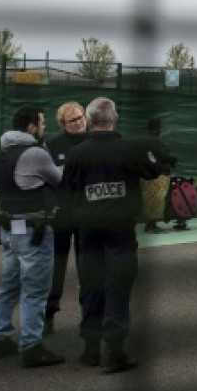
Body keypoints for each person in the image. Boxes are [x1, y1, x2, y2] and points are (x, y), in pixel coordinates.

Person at [61, 97, 159, 374]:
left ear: (90, 121)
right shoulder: (129, 149)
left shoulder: (79, 153)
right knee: (118, 286)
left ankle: (90, 349)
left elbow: (67, 191)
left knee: (92, 285)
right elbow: (153, 171)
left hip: (89, 228)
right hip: (119, 228)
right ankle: (114, 351)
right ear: (114, 118)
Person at [0, 104, 65, 368]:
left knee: (9, 286)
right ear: (31, 126)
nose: (44, 128)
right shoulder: (34, 153)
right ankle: (32, 346)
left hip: (9, 228)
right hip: (34, 229)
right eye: (42, 124)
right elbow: (59, 180)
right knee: (35, 290)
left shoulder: (3, 152)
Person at [43, 100, 88, 337]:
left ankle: (88, 315)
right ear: (63, 124)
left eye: (81, 117)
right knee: (56, 267)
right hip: (61, 214)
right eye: (73, 120)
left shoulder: (93, 143)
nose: (79, 122)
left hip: (86, 215)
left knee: (87, 266)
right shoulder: (52, 144)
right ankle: (48, 314)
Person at [139, 116, 178, 234]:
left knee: (150, 200)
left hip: (145, 174)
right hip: (157, 175)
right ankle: (152, 226)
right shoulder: (155, 141)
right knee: (157, 200)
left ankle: (149, 225)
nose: (161, 129)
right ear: (157, 128)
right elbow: (162, 156)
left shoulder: (144, 140)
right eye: (160, 127)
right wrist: (173, 160)